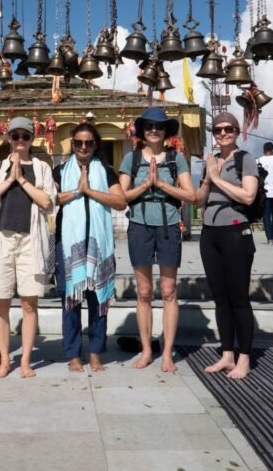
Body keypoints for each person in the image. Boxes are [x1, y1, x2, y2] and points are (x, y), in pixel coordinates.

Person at [0, 116, 56, 378]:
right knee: (0, 302)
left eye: (26, 136)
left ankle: (26, 361)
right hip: (1, 239)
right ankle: (4, 361)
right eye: (15, 136)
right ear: (8, 138)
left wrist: (22, 180)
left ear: (33, 139)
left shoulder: (42, 167)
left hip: (30, 240)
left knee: (29, 304)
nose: (20, 141)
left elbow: (47, 202)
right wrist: (9, 179)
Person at [118, 107, 195, 372]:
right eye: (149, 126)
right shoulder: (132, 158)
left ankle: (167, 353)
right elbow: (122, 197)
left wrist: (161, 184)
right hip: (139, 225)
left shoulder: (177, 159)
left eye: (159, 126)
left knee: (169, 292)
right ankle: (147, 349)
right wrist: (146, 184)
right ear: (142, 131)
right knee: (143, 292)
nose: (153, 130)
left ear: (165, 132)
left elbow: (191, 195)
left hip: (168, 225)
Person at [52, 123, 126, 373]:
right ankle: (73, 354)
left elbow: (120, 201)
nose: (83, 147)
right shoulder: (60, 170)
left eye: (89, 143)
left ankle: (95, 351)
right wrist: (76, 191)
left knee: (98, 297)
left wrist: (90, 191)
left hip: (99, 245)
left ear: (96, 145)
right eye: (78, 143)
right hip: (69, 243)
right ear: (72, 144)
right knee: (71, 299)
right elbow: (52, 199)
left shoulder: (106, 171)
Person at [196, 112, 259, 379]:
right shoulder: (211, 162)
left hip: (235, 231)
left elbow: (248, 195)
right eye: (218, 130)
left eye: (228, 129)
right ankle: (227, 355)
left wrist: (218, 178)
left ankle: (244, 358)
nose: (223, 134)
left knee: (239, 298)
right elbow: (199, 201)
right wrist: (209, 177)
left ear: (236, 131)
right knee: (220, 298)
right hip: (210, 233)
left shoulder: (246, 159)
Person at [257, 142, 273, 245]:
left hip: (263, 192)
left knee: (266, 215)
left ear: (263, 150)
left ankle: (269, 238)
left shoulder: (258, 160)